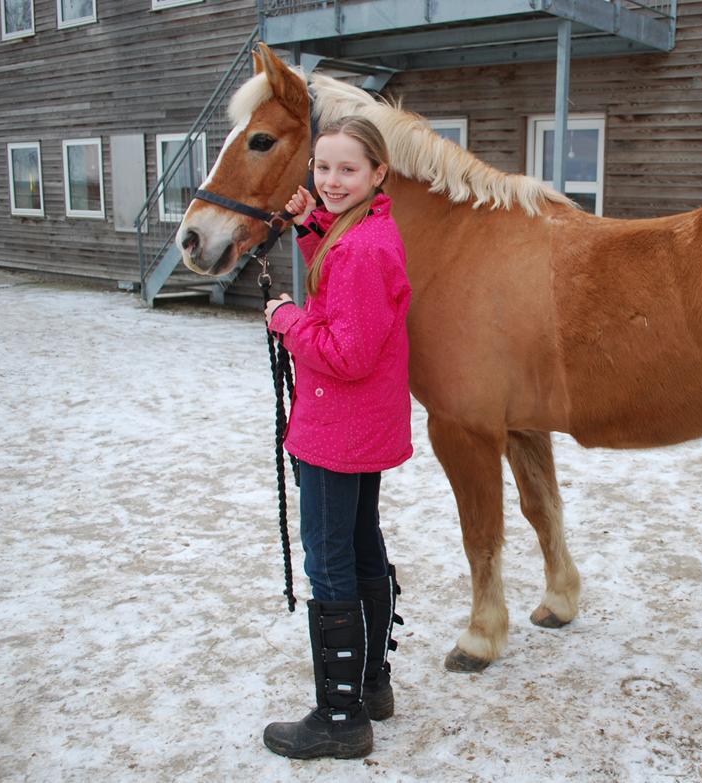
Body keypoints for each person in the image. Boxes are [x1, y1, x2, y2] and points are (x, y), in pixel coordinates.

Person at [261, 116, 412, 760]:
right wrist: (308, 227)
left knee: (329, 563)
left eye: (347, 169)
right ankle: (372, 685)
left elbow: (345, 351)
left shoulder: (360, 250)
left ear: (378, 173)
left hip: (336, 430)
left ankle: (341, 718)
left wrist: (285, 320)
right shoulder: (363, 231)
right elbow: (343, 286)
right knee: (359, 545)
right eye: (322, 168)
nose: (330, 181)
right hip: (360, 426)